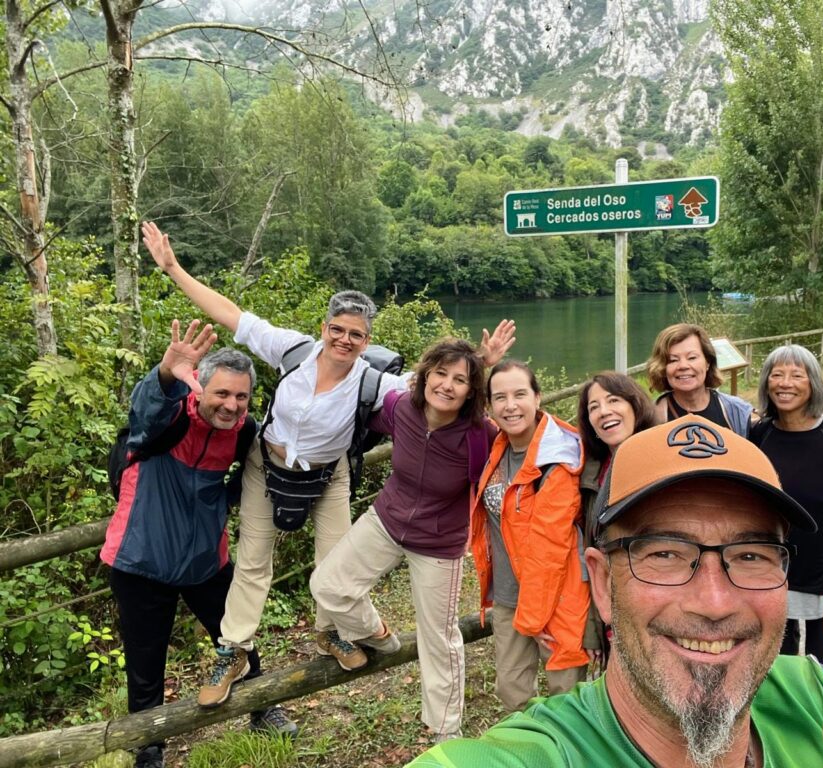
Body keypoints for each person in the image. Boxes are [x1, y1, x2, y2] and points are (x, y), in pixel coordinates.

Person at [407, 415, 823, 768]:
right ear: (605, 585)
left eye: (750, 556)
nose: (714, 602)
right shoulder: (539, 754)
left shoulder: (819, 697)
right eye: (665, 554)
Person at [142, 221, 412, 708]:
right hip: (264, 468)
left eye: (357, 334)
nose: (345, 341)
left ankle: (331, 633)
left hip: (328, 476)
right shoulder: (293, 350)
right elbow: (230, 314)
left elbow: (434, 385)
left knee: (335, 563)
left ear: (367, 339)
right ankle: (234, 650)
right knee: (252, 565)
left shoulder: (373, 382)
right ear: (324, 328)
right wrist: (173, 268)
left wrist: (482, 361)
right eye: (338, 330)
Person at [101, 320, 295, 768]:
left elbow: (253, 476)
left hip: (207, 558)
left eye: (241, 397)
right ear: (199, 389)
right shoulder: (166, 419)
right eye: (221, 394)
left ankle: (262, 708)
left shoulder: (242, 432)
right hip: (140, 560)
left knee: (237, 638)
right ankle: (148, 746)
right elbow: (145, 408)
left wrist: (221, 503)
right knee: (145, 661)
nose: (231, 406)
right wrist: (166, 374)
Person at [309, 337, 505, 744]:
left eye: (461, 380)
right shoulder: (402, 409)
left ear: (473, 391)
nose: (447, 385)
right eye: (440, 373)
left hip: (440, 542)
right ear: (425, 374)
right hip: (387, 518)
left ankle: (445, 732)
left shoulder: (479, 434)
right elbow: (352, 409)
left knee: (439, 638)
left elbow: (520, 449)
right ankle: (379, 634)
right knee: (327, 585)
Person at [470, 360, 590, 712]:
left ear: (537, 397)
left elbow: (550, 547)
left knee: (566, 698)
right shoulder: (499, 446)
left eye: (520, 394)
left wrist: (534, 618)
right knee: (511, 691)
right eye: (500, 397)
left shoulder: (558, 458)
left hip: (557, 598)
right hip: (510, 595)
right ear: (489, 406)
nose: (511, 405)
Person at [748, 345, 823, 670]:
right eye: (777, 374)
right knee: (775, 666)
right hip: (771, 571)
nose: (785, 383)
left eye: (797, 375)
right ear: (767, 382)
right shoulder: (758, 436)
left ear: (812, 383)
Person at [575, 372, 657, 669]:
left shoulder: (663, 458)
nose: (604, 411)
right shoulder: (591, 474)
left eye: (613, 400)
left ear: (635, 405)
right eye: (593, 407)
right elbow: (592, 555)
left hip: (658, 602)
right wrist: (594, 628)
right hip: (614, 608)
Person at [646, 323, 754, 436]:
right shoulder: (652, 417)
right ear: (662, 368)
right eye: (673, 360)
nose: (683, 366)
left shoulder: (737, 411)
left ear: (708, 362)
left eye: (692, 357)